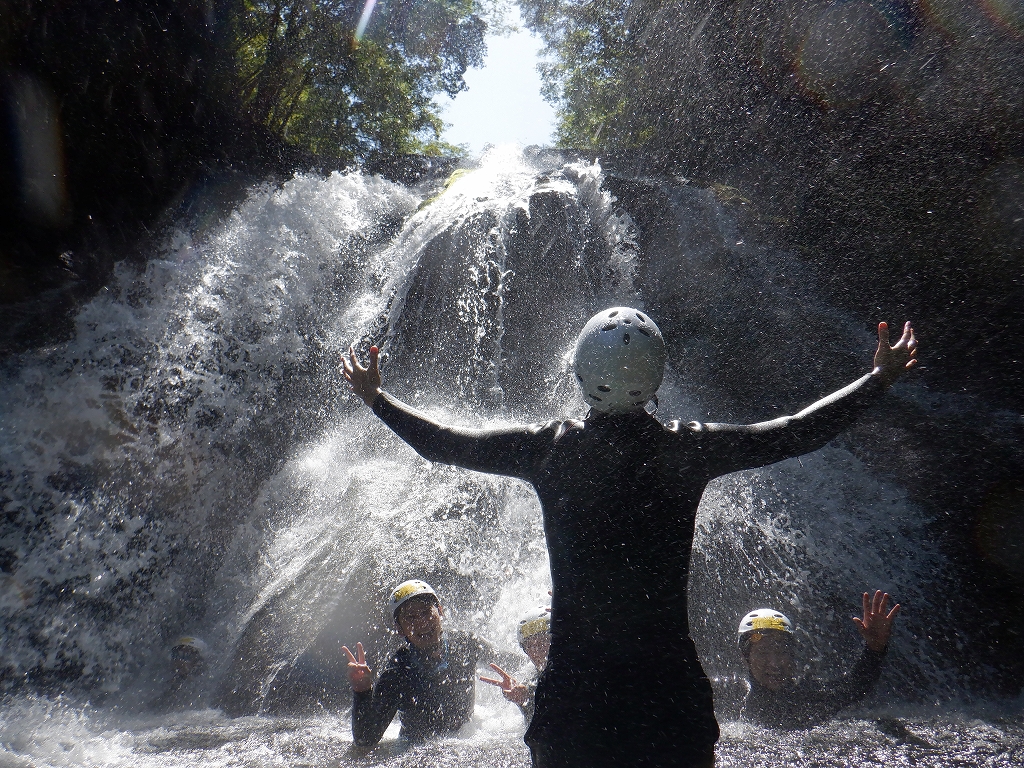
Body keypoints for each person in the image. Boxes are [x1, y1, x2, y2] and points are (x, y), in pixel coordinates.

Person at [343, 308, 918, 768]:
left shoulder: (549, 448)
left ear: (581, 375)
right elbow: (794, 433)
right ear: (657, 377)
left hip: (575, 694)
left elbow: (446, 443)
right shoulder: (688, 447)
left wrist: (377, 399)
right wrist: (878, 380)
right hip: (667, 690)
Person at [342, 579, 508, 747]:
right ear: (399, 628)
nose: (422, 622)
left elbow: (509, 662)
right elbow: (366, 739)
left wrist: (532, 661)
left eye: (426, 612)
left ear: (440, 611)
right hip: (416, 751)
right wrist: (362, 691)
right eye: (410, 617)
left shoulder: (466, 643)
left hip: (467, 741)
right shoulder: (398, 671)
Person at [738, 590, 901, 728]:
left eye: (782, 652)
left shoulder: (808, 697)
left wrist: (874, 649)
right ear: (746, 658)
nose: (774, 663)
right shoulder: (733, 696)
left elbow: (855, 687)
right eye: (763, 652)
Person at [480, 606, 551, 724]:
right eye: (530, 646)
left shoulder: (577, 664)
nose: (537, 651)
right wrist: (523, 700)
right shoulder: (531, 680)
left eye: (543, 641)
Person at [149, 635, 210, 711]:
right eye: (176, 655)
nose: (179, 661)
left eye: (186, 656)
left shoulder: (205, 688)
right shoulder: (167, 685)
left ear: (199, 662)